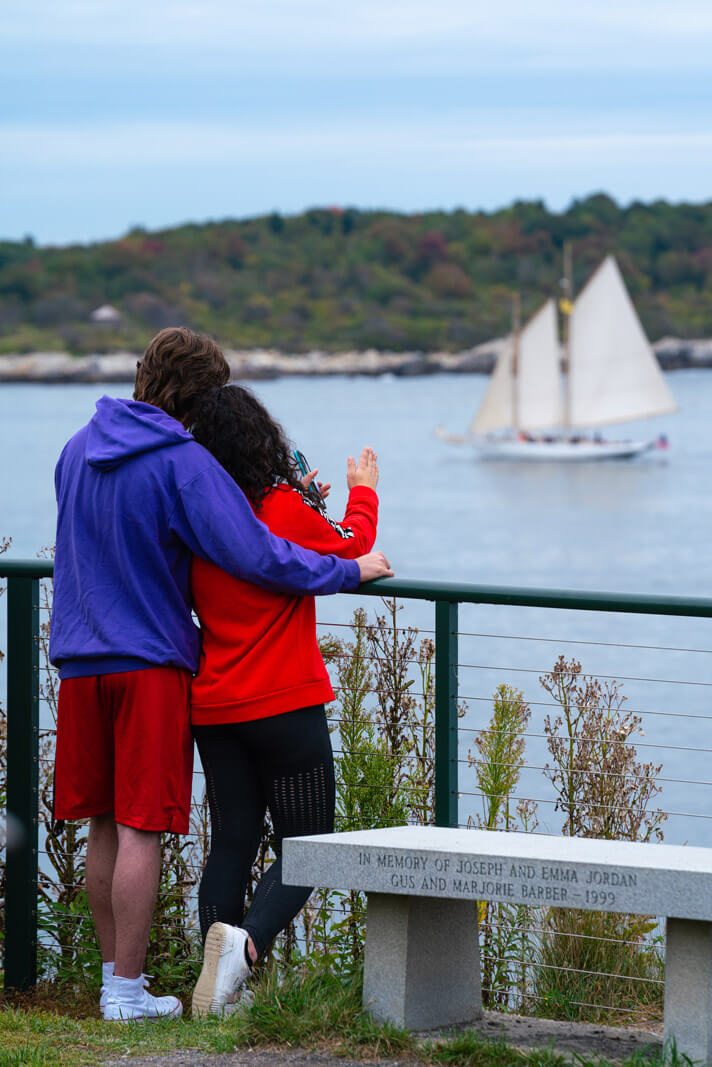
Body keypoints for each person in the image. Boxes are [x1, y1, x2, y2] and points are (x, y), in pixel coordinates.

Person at [49, 328, 393, 1023]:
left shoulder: (75, 449)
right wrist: (347, 567)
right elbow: (260, 554)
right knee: (143, 825)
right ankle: (126, 989)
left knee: (104, 825)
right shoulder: (179, 460)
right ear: (200, 395)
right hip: (149, 662)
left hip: (80, 658)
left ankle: (119, 985)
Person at [187, 385, 380, 1018]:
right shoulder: (279, 506)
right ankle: (245, 949)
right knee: (308, 842)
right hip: (284, 703)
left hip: (215, 706)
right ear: (262, 440)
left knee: (232, 842)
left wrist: (307, 503)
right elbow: (349, 545)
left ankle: (209, 983)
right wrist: (362, 491)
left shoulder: (198, 517)